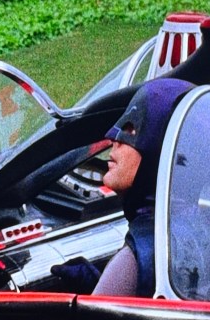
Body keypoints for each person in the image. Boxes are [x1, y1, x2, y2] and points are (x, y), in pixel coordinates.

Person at [50, 77, 200, 297]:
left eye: (131, 130)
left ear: (161, 149)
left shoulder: (137, 258)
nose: (113, 138)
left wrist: (110, 285)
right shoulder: (198, 225)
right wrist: (101, 284)